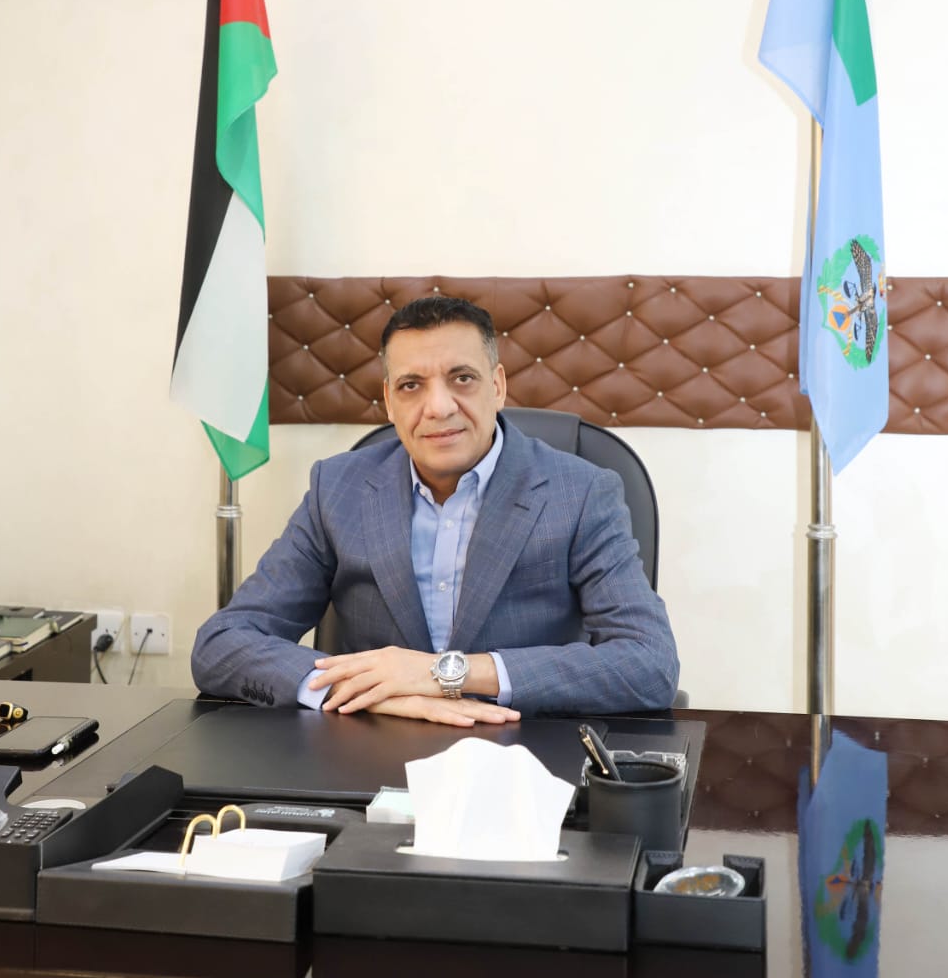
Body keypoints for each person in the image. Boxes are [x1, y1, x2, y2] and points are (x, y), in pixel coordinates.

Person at [191, 295, 679, 725]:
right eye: (411, 385)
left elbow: (649, 663)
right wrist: (369, 692)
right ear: (388, 400)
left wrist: (443, 673)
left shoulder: (581, 492)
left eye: (461, 379)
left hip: (521, 750)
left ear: (497, 386)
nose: (439, 407)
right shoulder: (338, 489)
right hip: (368, 751)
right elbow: (222, 644)